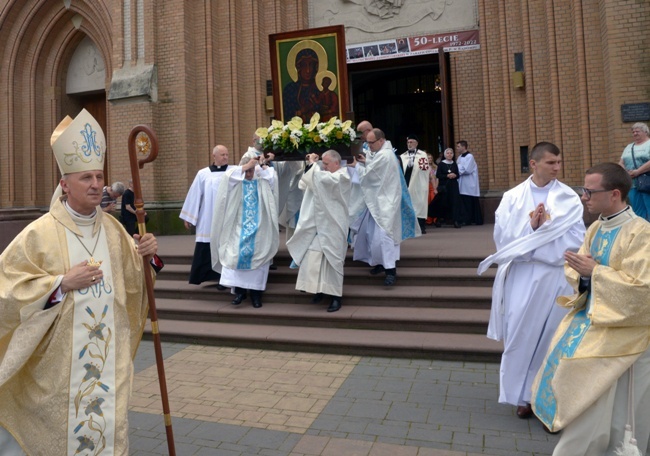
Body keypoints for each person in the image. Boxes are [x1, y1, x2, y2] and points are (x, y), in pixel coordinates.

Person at [0, 109, 161, 455]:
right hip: (56, 371)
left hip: (106, 366)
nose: (96, 185)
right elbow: (7, 291)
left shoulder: (115, 231)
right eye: (86, 177)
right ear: (64, 184)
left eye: (99, 177)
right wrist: (60, 283)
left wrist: (148, 256)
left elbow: (135, 283)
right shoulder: (39, 235)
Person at [532, 162, 650, 454]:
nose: (584, 196)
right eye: (583, 190)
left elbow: (643, 291)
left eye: (589, 191)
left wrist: (595, 272)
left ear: (614, 194)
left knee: (611, 416)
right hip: (591, 322)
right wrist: (584, 273)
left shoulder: (641, 233)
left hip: (625, 337)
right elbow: (580, 271)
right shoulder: (596, 227)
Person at [477, 141, 585, 419]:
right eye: (551, 163)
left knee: (550, 335)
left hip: (555, 274)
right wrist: (533, 228)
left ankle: (541, 394)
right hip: (523, 274)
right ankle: (519, 395)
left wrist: (543, 232)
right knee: (520, 333)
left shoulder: (568, 198)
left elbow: (577, 240)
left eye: (559, 163)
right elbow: (502, 240)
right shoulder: (512, 197)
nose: (557, 168)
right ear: (534, 164)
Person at [349, 128, 419, 286]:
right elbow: (375, 168)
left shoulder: (385, 155)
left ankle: (391, 271)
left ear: (381, 140)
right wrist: (365, 161)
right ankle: (381, 264)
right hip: (380, 200)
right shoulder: (383, 153)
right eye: (367, 142)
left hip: (386, 202)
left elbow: (370, 176)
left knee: (385, 237)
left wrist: (357, 166)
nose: (369, 145)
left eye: (371, 142)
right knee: (373, 236)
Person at [286, 151, 351, 313]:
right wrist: (313, 166)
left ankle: (336, 297)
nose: (324, 166)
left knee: (332, 261)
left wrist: (313, 165)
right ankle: (318, 290)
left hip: (334, 225)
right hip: (318, 226)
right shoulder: (322, 174)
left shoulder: (343, 176)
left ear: (337, 163)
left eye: (327, 164)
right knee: (313, 257)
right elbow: (304, 184)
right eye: (323, 163)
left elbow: (324, 181)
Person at [210, 156, 279, 308]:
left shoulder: (262, 181)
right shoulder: (236, 181)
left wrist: (260, 166)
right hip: (238, 228)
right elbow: (228, 178)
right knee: (235, 257)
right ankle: (240, 293)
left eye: (251, 171)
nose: (248, 174)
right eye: (246, 171)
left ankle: (256, 296)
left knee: (258, 261)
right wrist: (247, 165)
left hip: (259, 228)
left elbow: (272, 177)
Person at [180, 145, 232, 286]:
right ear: (214, 156)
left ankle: (225, 279)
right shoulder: (203, 174)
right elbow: (195, 194)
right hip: (208, 217)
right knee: (207, 245)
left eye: (227, 154)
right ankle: (207, 276)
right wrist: (189, 216)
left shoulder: (234, 171)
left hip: (227, 217)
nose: (225, 157)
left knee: (226, 247)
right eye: (222, 154)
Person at [619, 121, 650, 221]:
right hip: (633, 183)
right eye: (633, 132)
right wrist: (625, 173)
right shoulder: (629, 147)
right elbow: (621, 162)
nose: (635, 133)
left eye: (638, 131)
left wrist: (638, 171)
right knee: (637, 210)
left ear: (646, 132)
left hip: (647, 182)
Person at [282, 48, 321, 123]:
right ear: (298, 67)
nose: (308, 70)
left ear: (316, 67)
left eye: (311, 65)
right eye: (304, 65)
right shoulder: (290, 90)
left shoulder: (319, 88)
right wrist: (300, 112)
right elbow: (287, 115)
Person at [400, 134, 429, 233]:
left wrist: (413, 165)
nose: (409, 144)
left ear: (416, 143)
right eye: (408, 142)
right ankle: (409, 227)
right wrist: (408, 166)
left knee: (419, 204)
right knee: (408, 205)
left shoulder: (422, 155)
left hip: (418, 183)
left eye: (411, 142)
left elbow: (424, 169)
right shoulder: (403, 156)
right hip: (406, 182)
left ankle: (421, 226)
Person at [430, 147, 463, 228]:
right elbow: (438, 175)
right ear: (445, 155)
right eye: (447, 153)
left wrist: (454, 175)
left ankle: (455, 220)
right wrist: (447, 175)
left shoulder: (454, 163)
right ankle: (438, 219)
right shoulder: (441, 164)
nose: (449, 154)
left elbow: (458, 174)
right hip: (444, 186)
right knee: (443, 203)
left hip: (453, 186)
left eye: (451, 153)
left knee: (455, 202)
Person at [456, 140, 483, 225]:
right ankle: (466, 219)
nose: (457, 148)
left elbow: (467, 169)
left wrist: (457, 169)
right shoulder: (459, 157)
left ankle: (471, 220)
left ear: (464, 147)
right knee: (464, 203)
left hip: (469, 183)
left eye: (458, 146)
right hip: (462, 183)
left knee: (470, 202)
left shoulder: (469, 156)